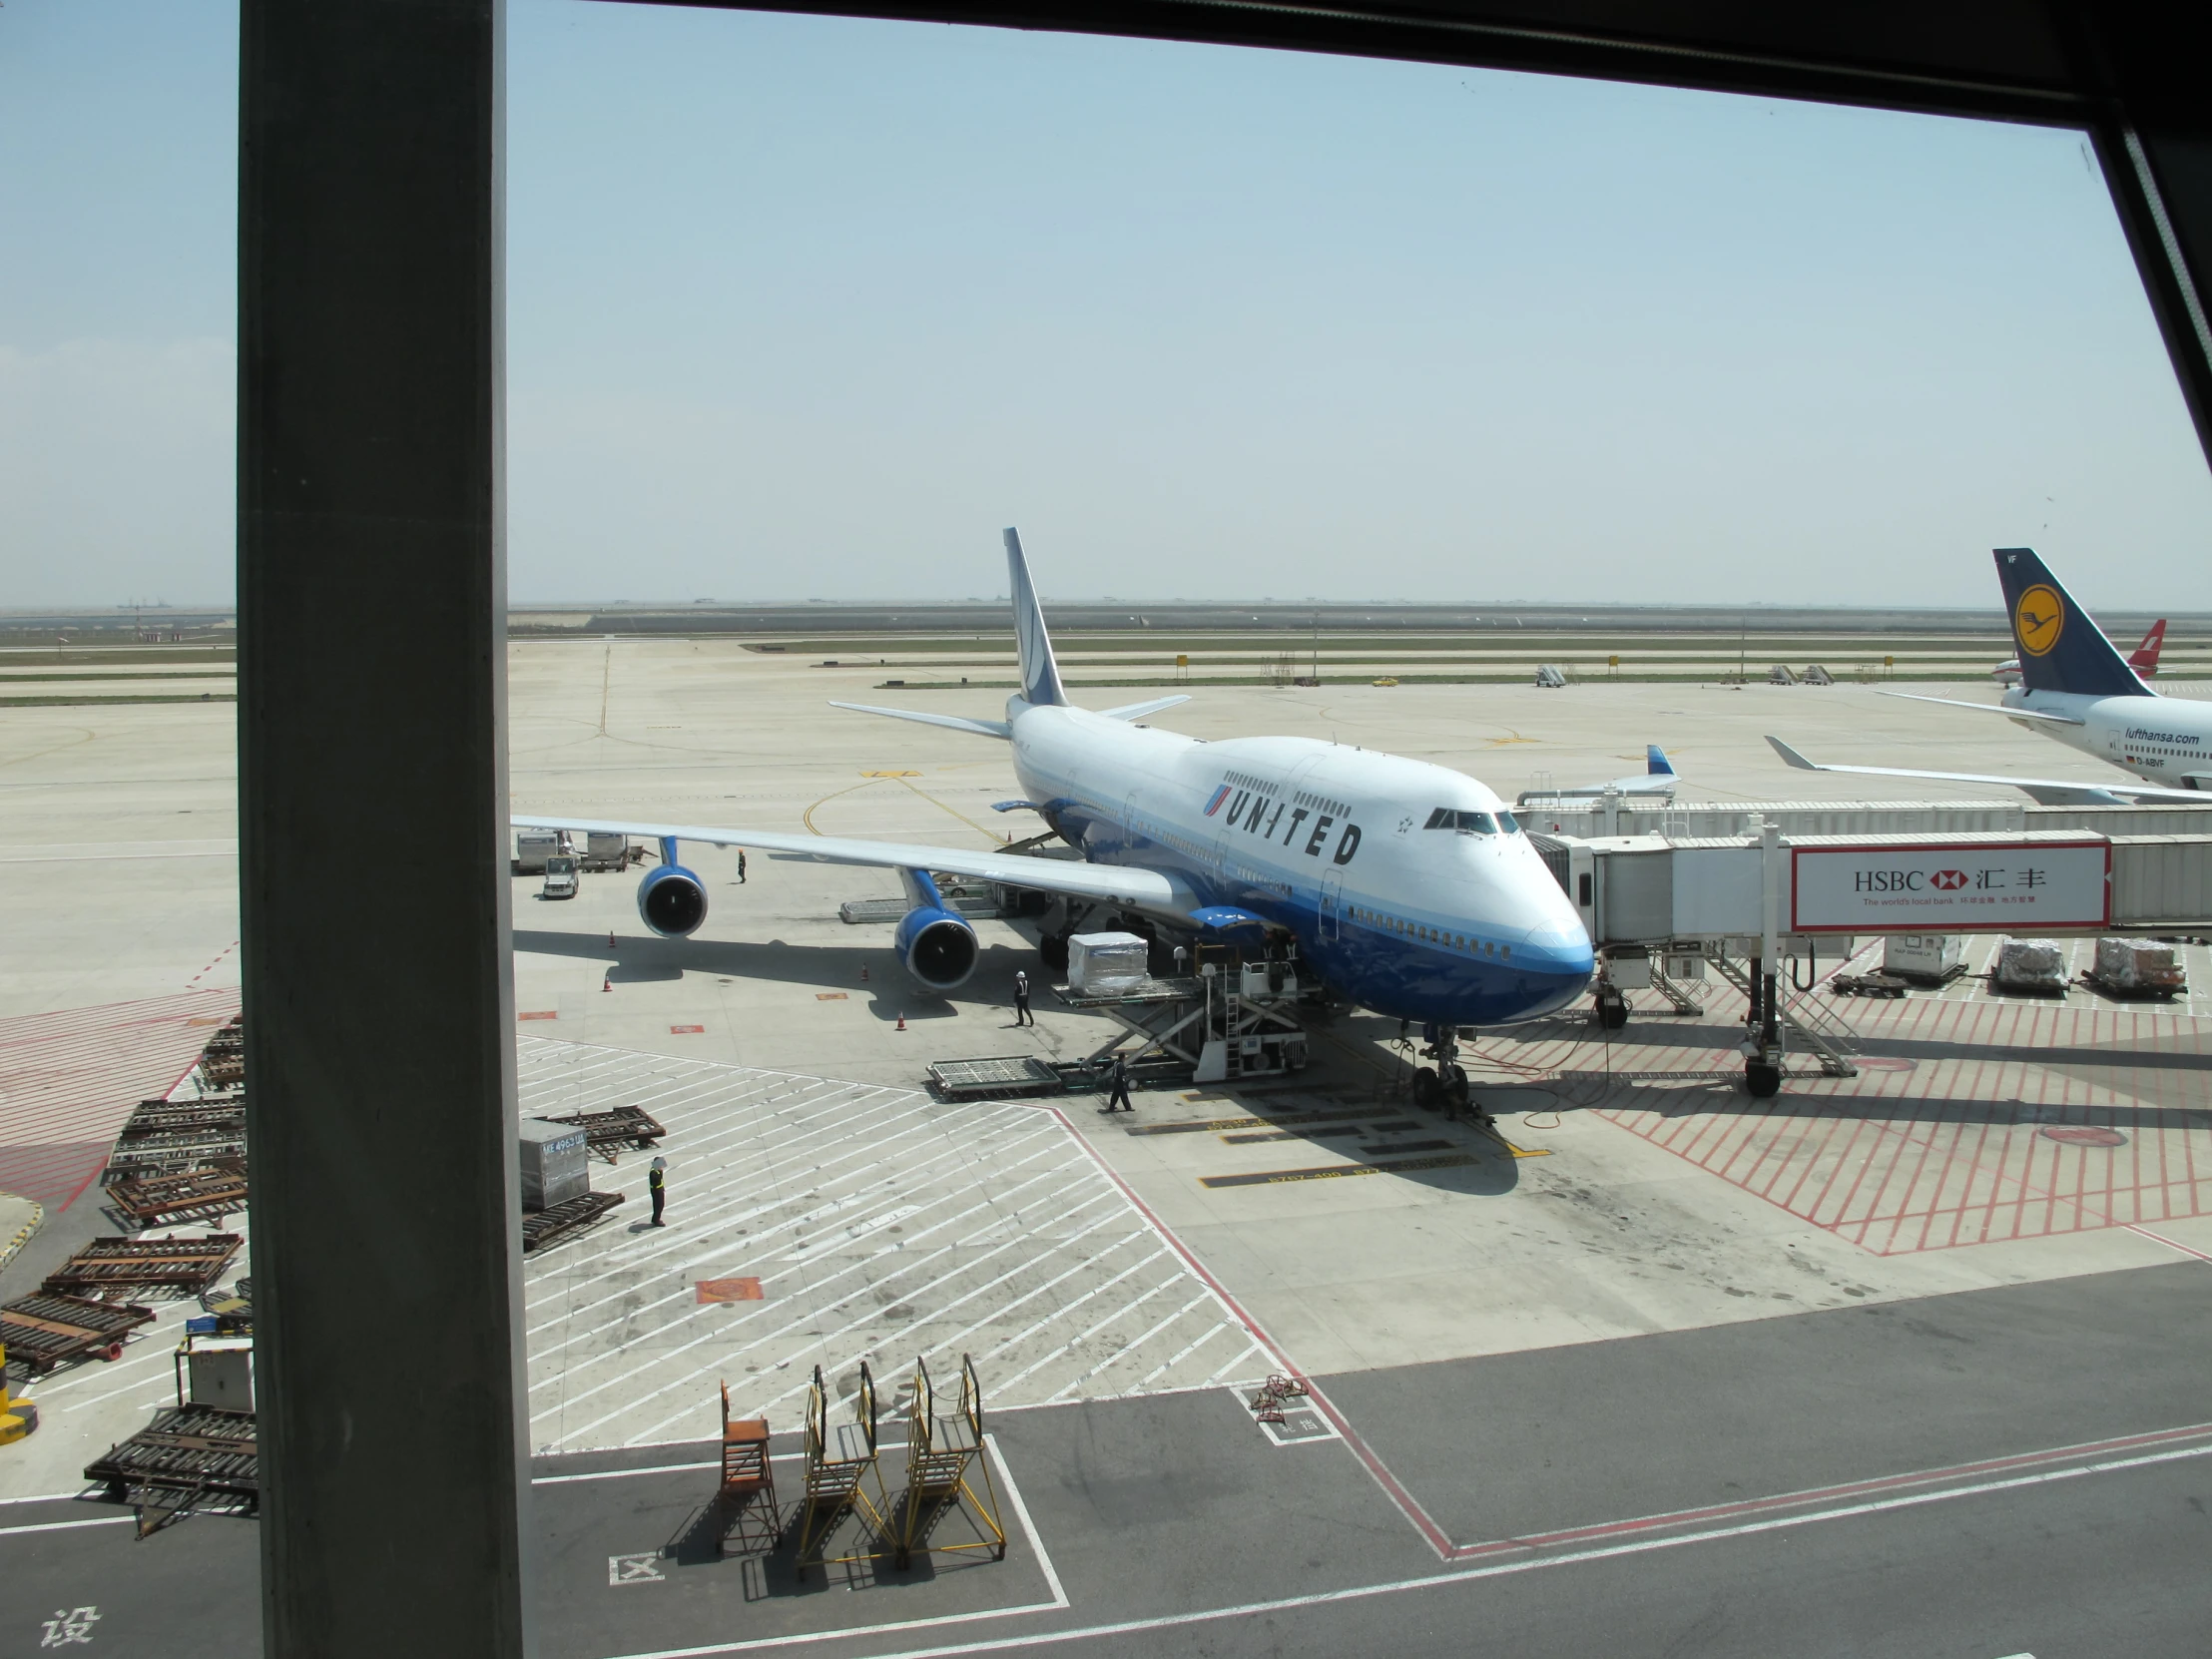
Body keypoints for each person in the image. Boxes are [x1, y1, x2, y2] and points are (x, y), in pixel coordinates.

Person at [648, 1156, 668, 1226]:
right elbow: (656, 1181)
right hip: (656, 1191)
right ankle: (656, 1220)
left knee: (659, 1205)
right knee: (659, 1205)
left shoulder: (657, 1170)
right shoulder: (654, 1172)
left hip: (659, 1189)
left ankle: (655, 1218)